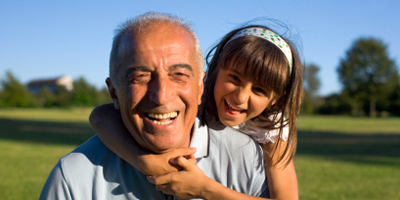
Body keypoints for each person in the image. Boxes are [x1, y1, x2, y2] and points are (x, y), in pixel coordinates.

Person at [39, 12, 269, 200]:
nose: (161, 96)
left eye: (179, 74)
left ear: (200, 87)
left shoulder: (246, 156)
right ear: (114, 93)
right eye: (140, 76)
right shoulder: (73, 178)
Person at [91, 24, 303, 199]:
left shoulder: (271, 130)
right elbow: (99, 116)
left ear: (276, 98)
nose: (240, 97)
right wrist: (144, 161)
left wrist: (205, 189)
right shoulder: (195, 98)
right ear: (215, 70)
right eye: (234, 79)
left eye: (259, 90)